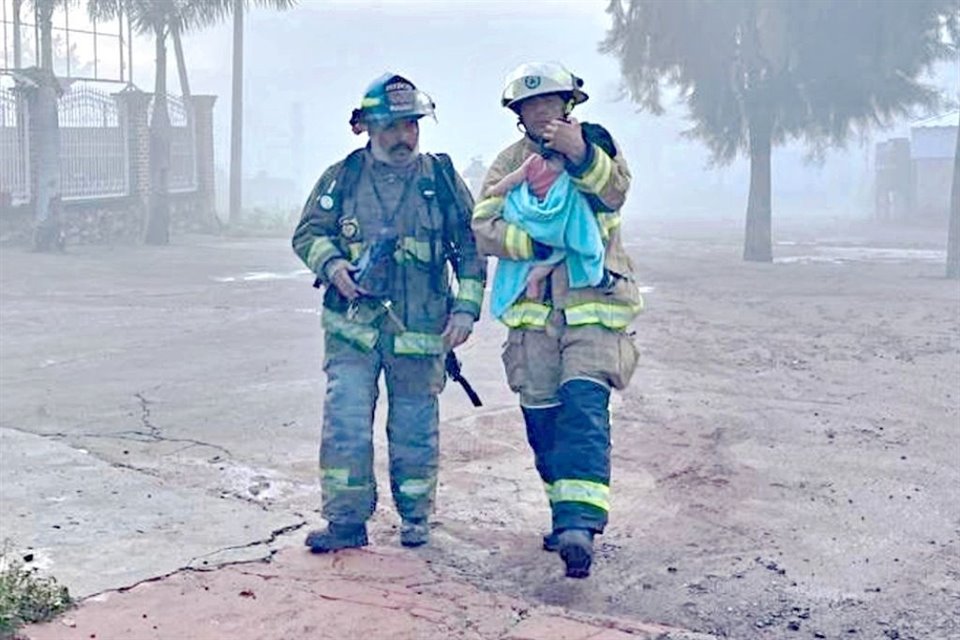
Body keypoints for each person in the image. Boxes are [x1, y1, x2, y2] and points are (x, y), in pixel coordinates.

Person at [292, 73, 486, 553]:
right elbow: (308, 233)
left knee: (415, 429)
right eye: (393, 127)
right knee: (345, 425)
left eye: (412, 126)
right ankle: (345, 522)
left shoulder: (440, 180)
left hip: (421, 331)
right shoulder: (343, 177)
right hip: (352, 331)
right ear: (368, 128)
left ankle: (415, 518)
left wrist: (466, 310)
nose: (405, 136)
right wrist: (333, 265)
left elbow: (471, 247)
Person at [472, 62, 643, 578]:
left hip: (594, 305)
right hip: (533, 322)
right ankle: (562, 510)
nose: (541, 112)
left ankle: (579, 527)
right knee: (542, 421)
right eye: (531, 106)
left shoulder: (597, 144)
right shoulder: (509, 162)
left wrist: (580, 153)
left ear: (569, 105)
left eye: (550, 102)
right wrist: (535, 244)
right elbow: (483, 223)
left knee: (584, 410)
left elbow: (613, 193)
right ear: (518, 115)